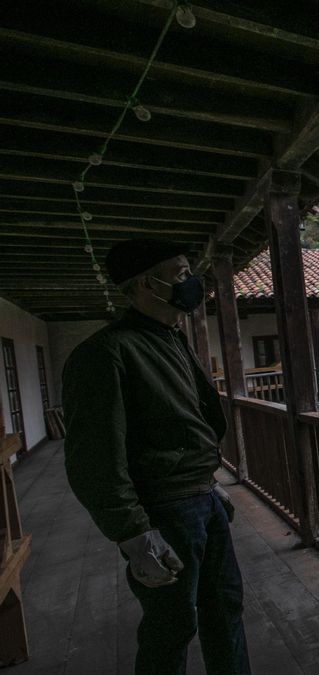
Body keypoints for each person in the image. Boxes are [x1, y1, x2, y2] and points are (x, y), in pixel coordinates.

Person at [62, 239, 250, 674]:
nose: (191, 283)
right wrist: (131, 532)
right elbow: (94, 458)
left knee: (226, 610)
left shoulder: (168, 338)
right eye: (182, 273)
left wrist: (209, 482)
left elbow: (182, 423)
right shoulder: (106, 354)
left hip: (200, 500)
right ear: (150, 283)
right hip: (165, 510)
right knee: (172, 625)